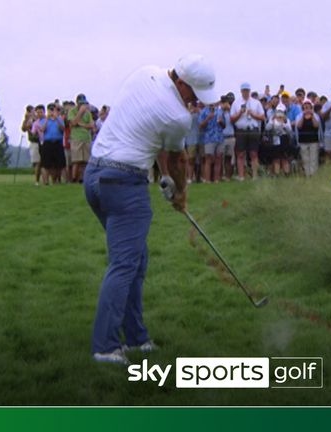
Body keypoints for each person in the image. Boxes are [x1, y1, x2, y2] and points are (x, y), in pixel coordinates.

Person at [84, 54, 218, 365]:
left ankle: (135, 337)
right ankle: (104, 347)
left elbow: (153, 136)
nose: (196, 103)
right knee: (124, 264)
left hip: (93, 178)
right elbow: (178, 159)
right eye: (194, 95)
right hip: (124, 185)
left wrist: (165, 177)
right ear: (182, 82)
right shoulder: (178, 117)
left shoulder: (145, 73)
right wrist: (180, 194)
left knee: (135, 260)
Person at [230, 82, 265, 180]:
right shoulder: (236, 103)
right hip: (241, 130)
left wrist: (253, 114)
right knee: (240, 153)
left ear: (249, 91)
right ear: (241, 91)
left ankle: (255, 176)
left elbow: (262, 117)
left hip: (253, 129)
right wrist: (240, 113)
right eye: (244, 90)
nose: (246, 92)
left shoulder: (256, 102)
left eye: (247, 90)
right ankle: (241, 176)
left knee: (253, 153)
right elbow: (231, 118)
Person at [35, 103, 66, 184]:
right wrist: (47, 118)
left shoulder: (59, 119)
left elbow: (62, 128)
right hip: (47, 143)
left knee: (58, 164)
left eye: (53, 110)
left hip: (57, 143)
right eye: (50, 110)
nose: (52, 112)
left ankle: (55, 181)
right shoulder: (44, 120)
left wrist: (57, 118)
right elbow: (42, 129)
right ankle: (45, 182)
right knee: (45, 164)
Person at [67, 94, 95, 183]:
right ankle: (74, 178)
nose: (82, 105)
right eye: (80, 103)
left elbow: (91, 125)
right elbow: (73, 122)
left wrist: (81, 124)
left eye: (84, 103)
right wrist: (80, 113)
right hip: (76, 138)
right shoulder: (72, 111)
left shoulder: (88, 113)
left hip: (86, 138)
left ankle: (82, 178)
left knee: (85, 160)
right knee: (76, 160)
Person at [198, 102, 223, 183]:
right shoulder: (203, 111)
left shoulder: (219, 111)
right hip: (209, 138)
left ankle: (216, 179)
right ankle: (207, 180)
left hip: (219, 137)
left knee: (218, 158)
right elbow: (200, 125)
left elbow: (224, 125)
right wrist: (207, 118)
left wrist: (221, 122)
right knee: (208, 159)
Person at [265, 105, 293, 176]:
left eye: (281, 112)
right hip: (275, 139)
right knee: (276, 157)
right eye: (278, 111)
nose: (280, 113)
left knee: (284, 157)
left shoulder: (287, 120)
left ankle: (286, 173)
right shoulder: (272, 119)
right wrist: (272, 120)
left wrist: (284, 122)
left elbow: (289, 130)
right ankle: (276, 173)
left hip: (284, 138)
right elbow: (267, 128)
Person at [295, 99, 320, 177]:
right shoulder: (299, 116)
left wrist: (312, 115)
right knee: (305, 159)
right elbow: (298, 126)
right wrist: (303, 116)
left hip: (314, 140)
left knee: (314, 158)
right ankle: (307, 174)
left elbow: (316, 125)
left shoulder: (315, 115)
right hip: (303, 140)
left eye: (308, 107)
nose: (307, 108)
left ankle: (314, 174)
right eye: (305, 107)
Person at [22, 105, 41, 186]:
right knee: (36, 162)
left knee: (39, 162)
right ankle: (37, 180)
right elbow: (24, 128)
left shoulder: (37, 118)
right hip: (34, 142)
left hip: (41, 141)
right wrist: (26, 119)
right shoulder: (28, 120)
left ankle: (38, 179)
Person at [217, 96, 235, 181]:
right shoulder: (219, 112)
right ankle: (220, 176)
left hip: (231, 137)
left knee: (228, 157)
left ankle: (228, 177)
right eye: (223, 102)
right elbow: (219, 123)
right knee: (220, 158)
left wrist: (229, 110)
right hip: (221, 137)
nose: (225, 104)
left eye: (226, 102)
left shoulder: (231, 112)